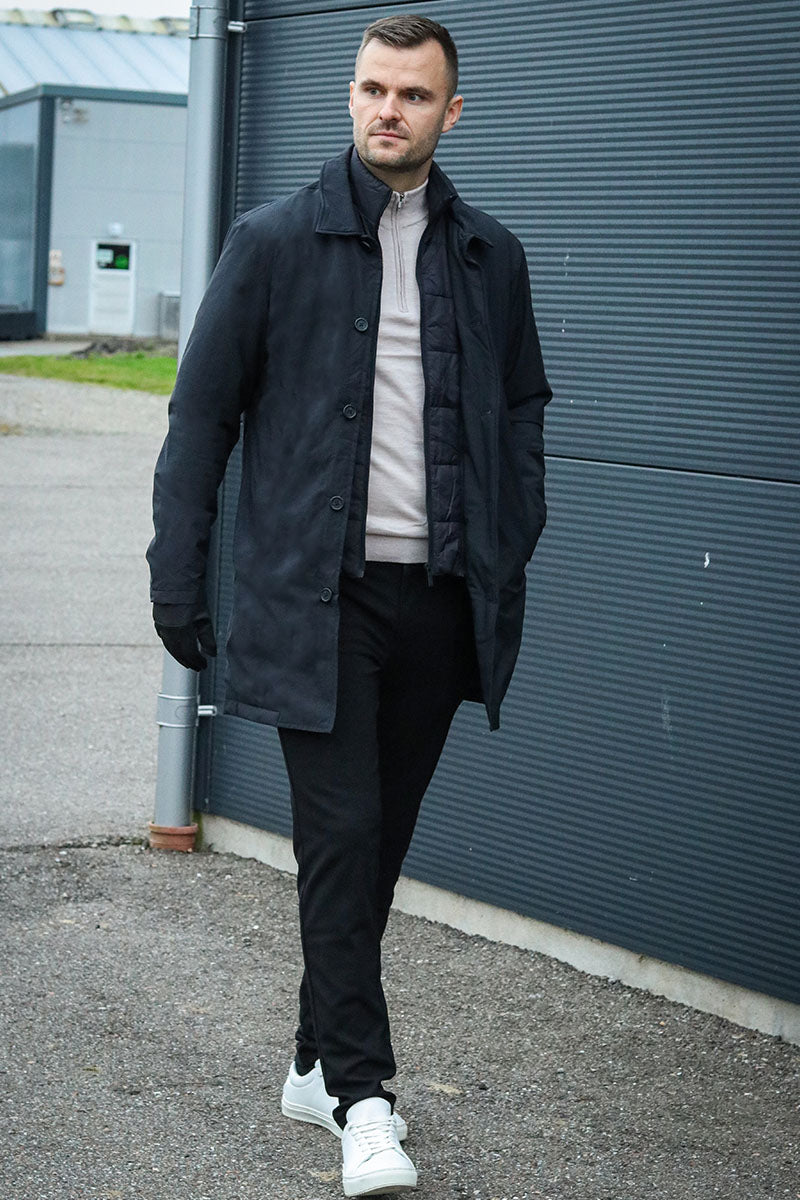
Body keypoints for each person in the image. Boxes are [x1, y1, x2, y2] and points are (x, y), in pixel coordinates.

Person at [147, 13, 551, 1196]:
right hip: (315, 601)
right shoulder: (273, 242)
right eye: (373, 88)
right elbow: (199, 420)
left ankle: (307, 1061)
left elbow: (522, 411)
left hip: (436, 600)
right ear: (350, 95)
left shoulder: (489, 257)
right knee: (340, 838)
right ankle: (363, 1101)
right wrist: (177, 575)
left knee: (375, 848)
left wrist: (508, 540)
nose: (389, 109)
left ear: (449, 113)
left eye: (413, 95)